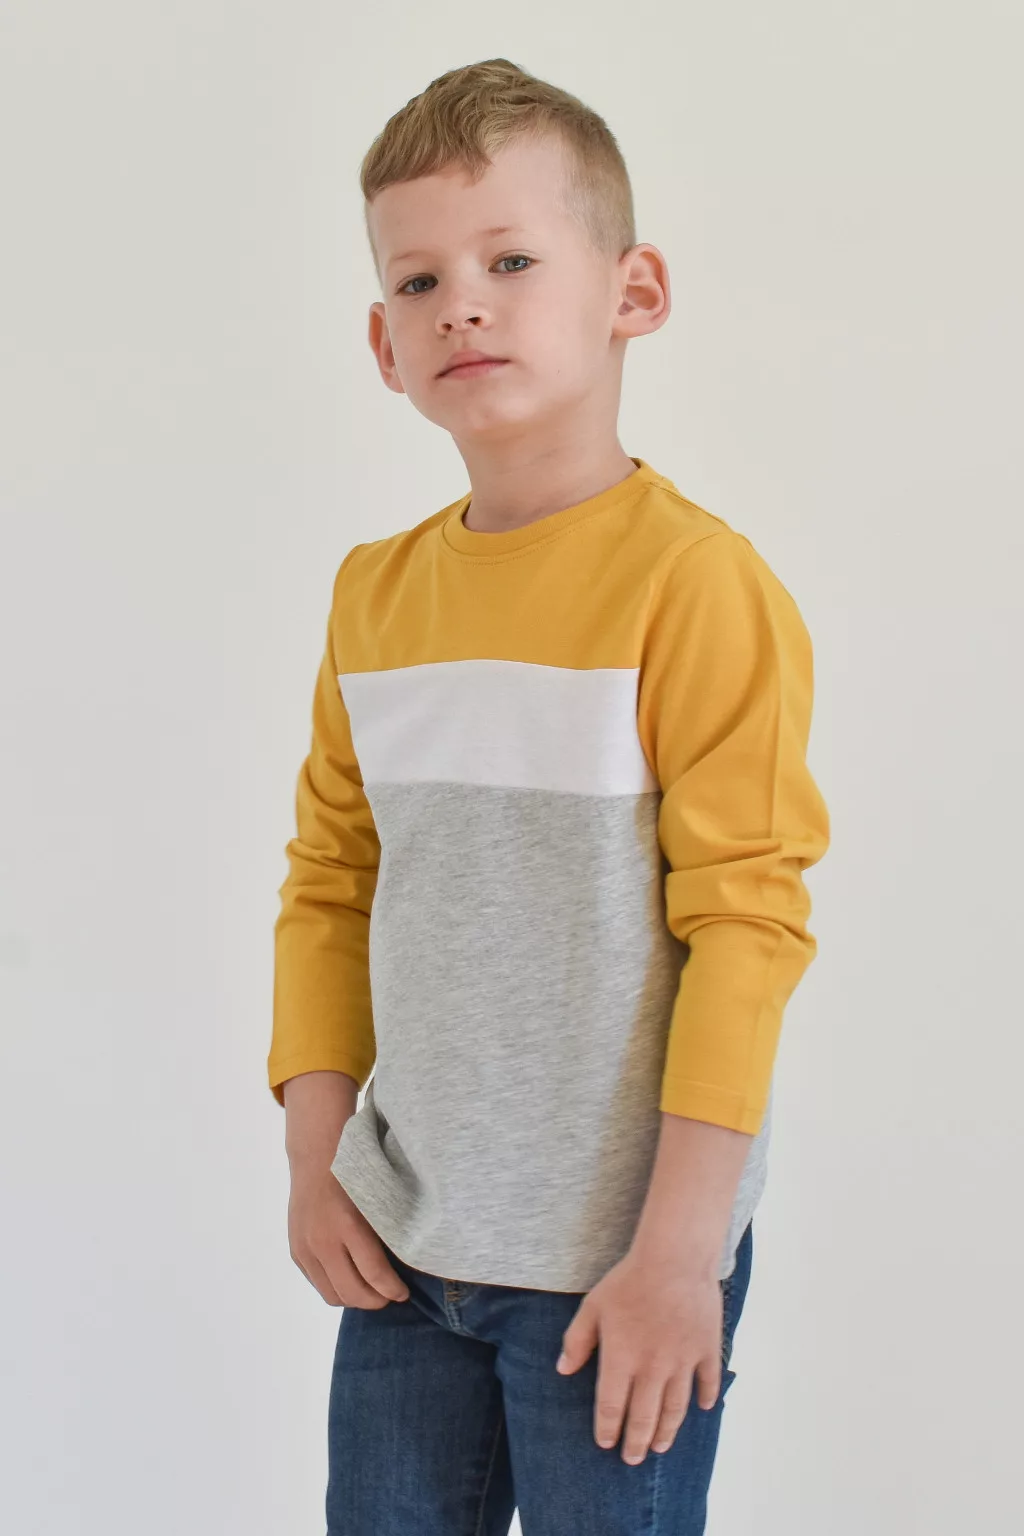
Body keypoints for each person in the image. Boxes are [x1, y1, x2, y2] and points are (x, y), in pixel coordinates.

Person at [267, 56, 830, 1536]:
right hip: (407, 1251)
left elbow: (747, 924)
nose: (462, 304)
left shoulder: (694, 585)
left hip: (618, 1263)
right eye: (420, 280)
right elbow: (329, 882)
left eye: (511, 262)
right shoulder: (373, 597)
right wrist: (316, 1159)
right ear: (384, 345)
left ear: (632, 292)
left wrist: (681, 1252)